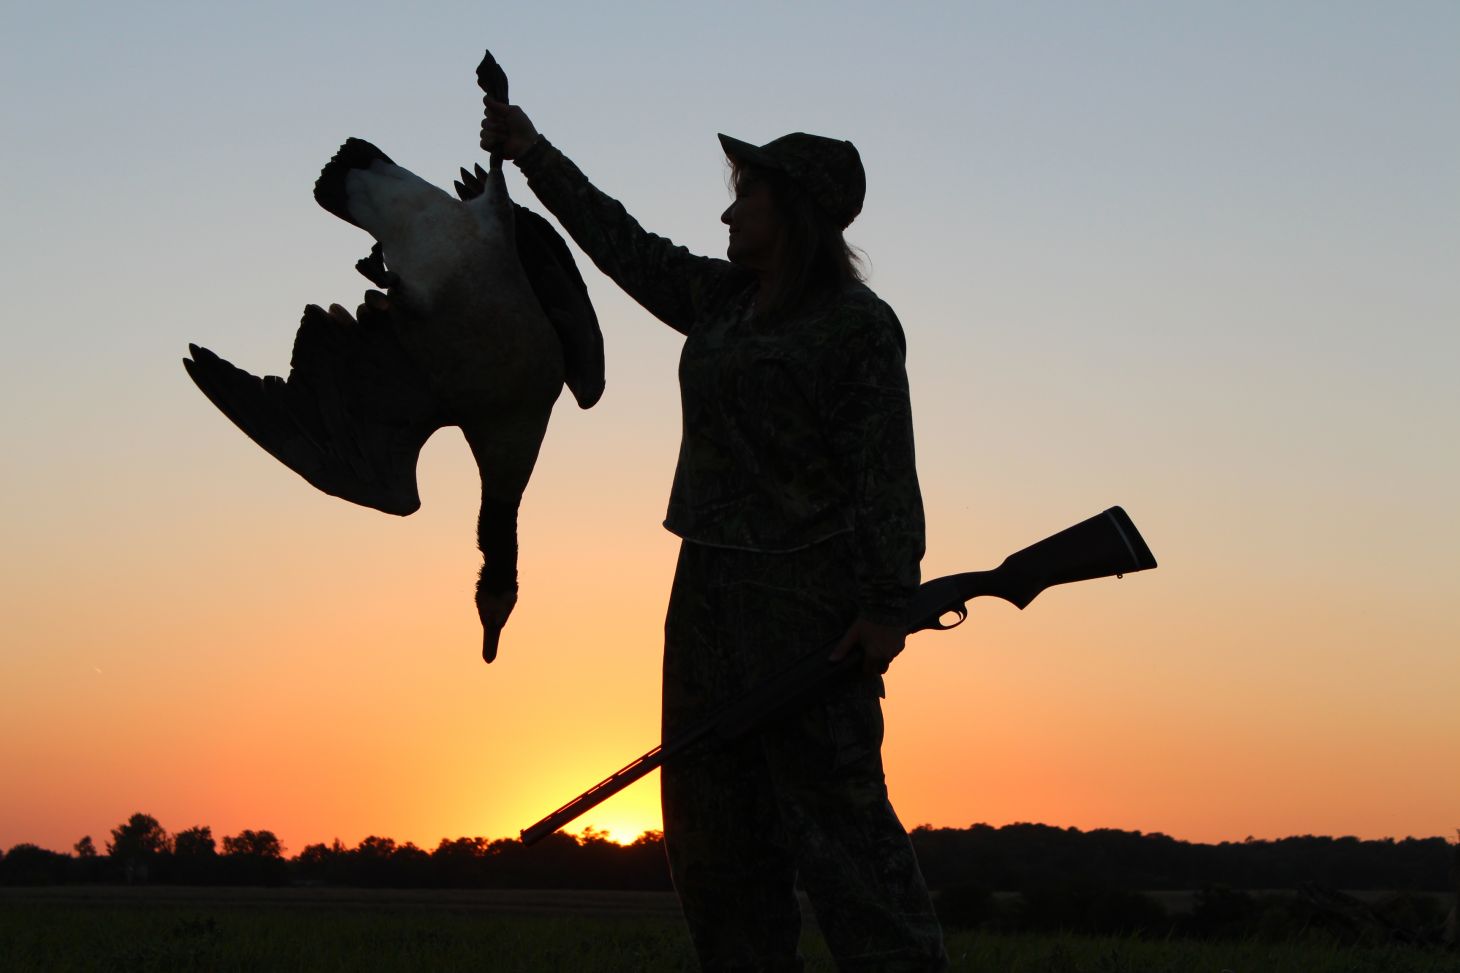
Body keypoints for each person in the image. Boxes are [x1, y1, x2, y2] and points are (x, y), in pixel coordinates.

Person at [482, 98, 948, 972]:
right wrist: (532, 151)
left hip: (808, 612)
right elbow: (622, 246)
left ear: (794, 212)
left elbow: (886, 478)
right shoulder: (723, 300)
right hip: (703, 603)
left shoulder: (856, 326)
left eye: (748, 196)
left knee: (848, 851)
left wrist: (889, 606)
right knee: (714, 855)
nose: (729, 212)